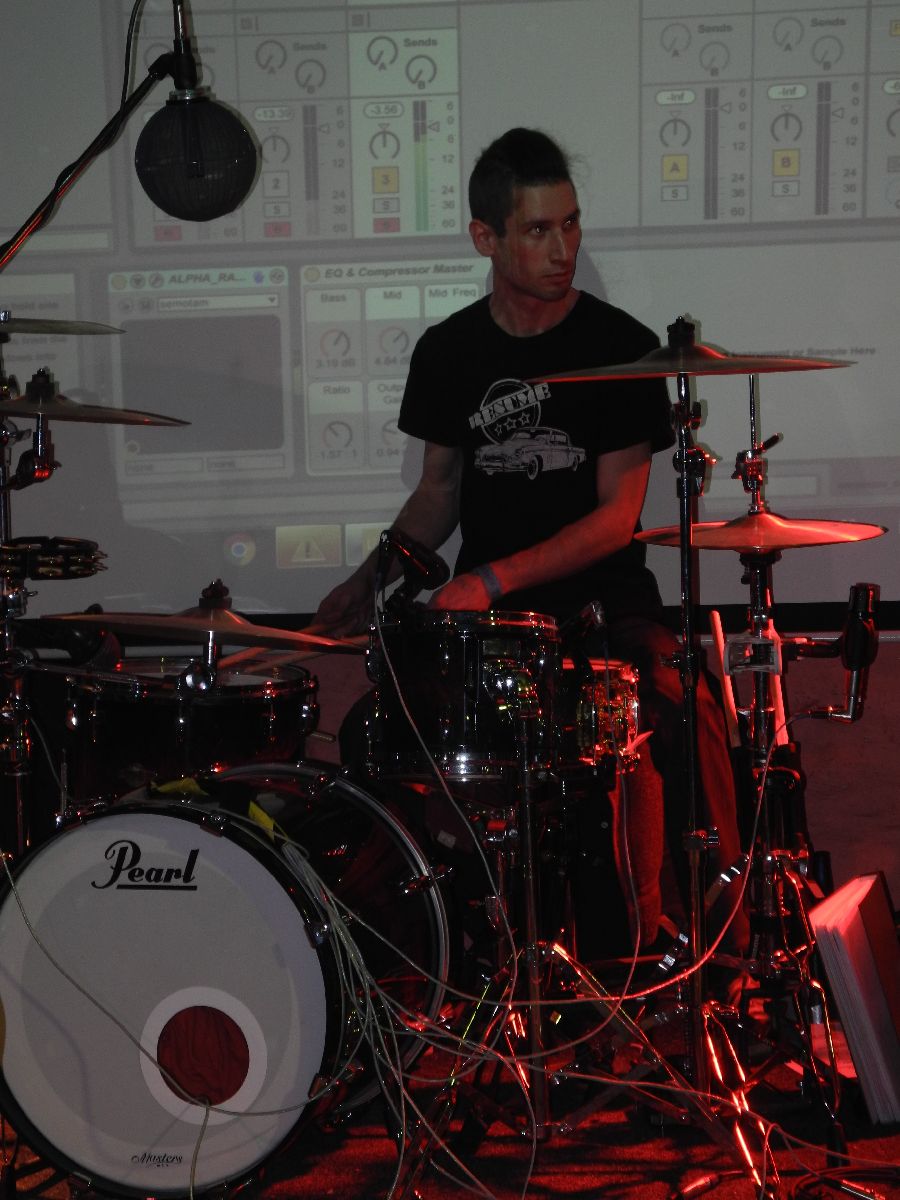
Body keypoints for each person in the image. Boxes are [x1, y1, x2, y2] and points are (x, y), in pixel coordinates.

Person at [312, 127, 745, 962]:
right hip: (492, 631)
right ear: (487, 237)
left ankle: (715, 956)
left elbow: (616, 519)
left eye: (570, 224)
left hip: (605, 610)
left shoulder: (620, 348)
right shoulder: (449, 351)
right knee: (379, 728)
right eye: (539, 230)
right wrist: (369, 580)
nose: (563, 249)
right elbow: (438, 494)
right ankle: (413, 957)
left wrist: (490, 578)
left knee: (684, 706)